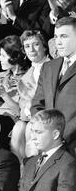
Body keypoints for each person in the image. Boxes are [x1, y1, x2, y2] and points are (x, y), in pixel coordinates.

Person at [31, 17, 76, 156]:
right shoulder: (49, 67)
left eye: (64, 36)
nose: (58, 42)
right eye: (56, 36)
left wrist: (59, 136)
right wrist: (43, 132)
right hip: (48, 142)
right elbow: (37, 105)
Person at [11, 30, 50, 160]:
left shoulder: (55, 67)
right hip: (29, 116)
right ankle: (22, 169)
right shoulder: (26, 76)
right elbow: (22, 105)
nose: (31, 50)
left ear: (44, 46)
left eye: (36, 44)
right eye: (27, 46)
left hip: (48, 114)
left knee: (30, 128)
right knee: (18, 128)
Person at [0, 35, 29, 125]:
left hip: (11, 122)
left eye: (3, 56)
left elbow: (20, 112)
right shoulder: (0, 76)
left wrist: (4, 94)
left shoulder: (28, 79)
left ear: (15, 57)